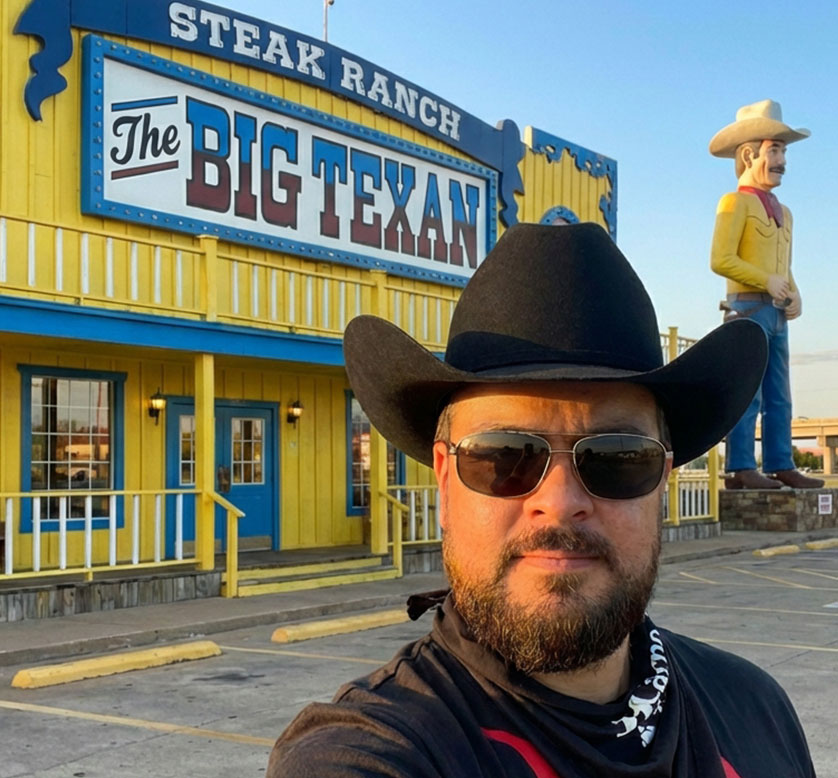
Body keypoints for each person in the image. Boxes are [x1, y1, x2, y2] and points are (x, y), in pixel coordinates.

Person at [268, 223, 815, 777]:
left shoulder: (754, 709)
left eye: (616, 456)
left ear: (663, 483)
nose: (558, 502)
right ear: (445, 481)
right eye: (503, 455)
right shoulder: (373, 750)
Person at [709, 99, 823, 490]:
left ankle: (781, 462)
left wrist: (794, 292)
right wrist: (764, 280)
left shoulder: (784, 213)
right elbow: (721, 259)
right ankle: (741, 466)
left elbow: (783, 265)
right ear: (748, 155)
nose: (782, 161)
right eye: (774, 150)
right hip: (747, 310)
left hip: (776, 313)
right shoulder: (734, 203)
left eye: (783, 152)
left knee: (780, 395)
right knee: (748, 392)